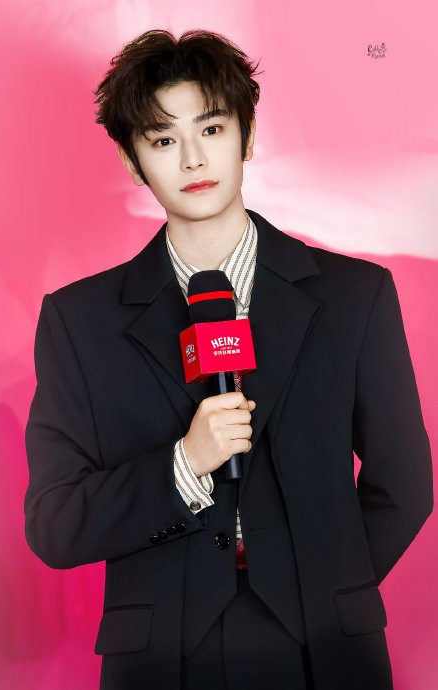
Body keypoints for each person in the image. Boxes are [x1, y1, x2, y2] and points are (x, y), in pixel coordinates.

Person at [24, 29, 433, 690]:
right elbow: (55, 523)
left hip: (323, 652)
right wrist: (185, 464)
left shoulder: (355, 296)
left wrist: (329, 590)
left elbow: (405, 482)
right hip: (163, 658)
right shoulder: (80, 322)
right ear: (132, 161)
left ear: (247, 133)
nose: (193, 159)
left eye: (211, 129)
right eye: (163, 141)